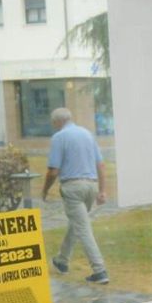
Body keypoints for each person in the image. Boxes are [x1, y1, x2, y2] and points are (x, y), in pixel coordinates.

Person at [42, 108, 109, 285]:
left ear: (57, 122)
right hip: (91, 186)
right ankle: (62, 261)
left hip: (73, 188)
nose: (53, 126)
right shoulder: (87, 134)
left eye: (53, 123)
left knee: (83, 229)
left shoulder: (59, 137)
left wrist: (45, 190)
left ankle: (100, 270)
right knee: (78, 223)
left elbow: (53, 171)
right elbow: (101, 165)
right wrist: (102, 191)